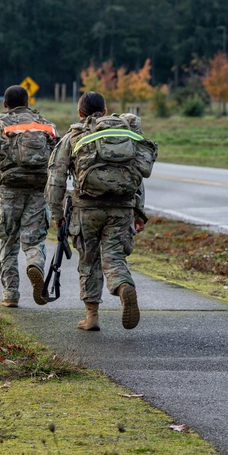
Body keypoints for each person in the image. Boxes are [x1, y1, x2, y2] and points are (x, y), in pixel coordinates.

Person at [45, 91, 157, 331]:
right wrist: (139, 212)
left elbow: (56, 178)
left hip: (86, 209)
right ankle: (123, 285)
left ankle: (92, 317)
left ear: (79, 113)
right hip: (122, 207)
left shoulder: (74, 135)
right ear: (105, 111)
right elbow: (138, 177)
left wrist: (57, 215)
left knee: (88, 260)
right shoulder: (126, 134)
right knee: (114, 255)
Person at [0, 85, 57, 308]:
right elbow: (60, 161)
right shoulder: (45, 126)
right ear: (28, 103)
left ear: (5, 104)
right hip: (39, 191)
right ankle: (35, 264)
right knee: (34, 239)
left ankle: (10, 294)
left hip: (9, 192)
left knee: (8, 242)